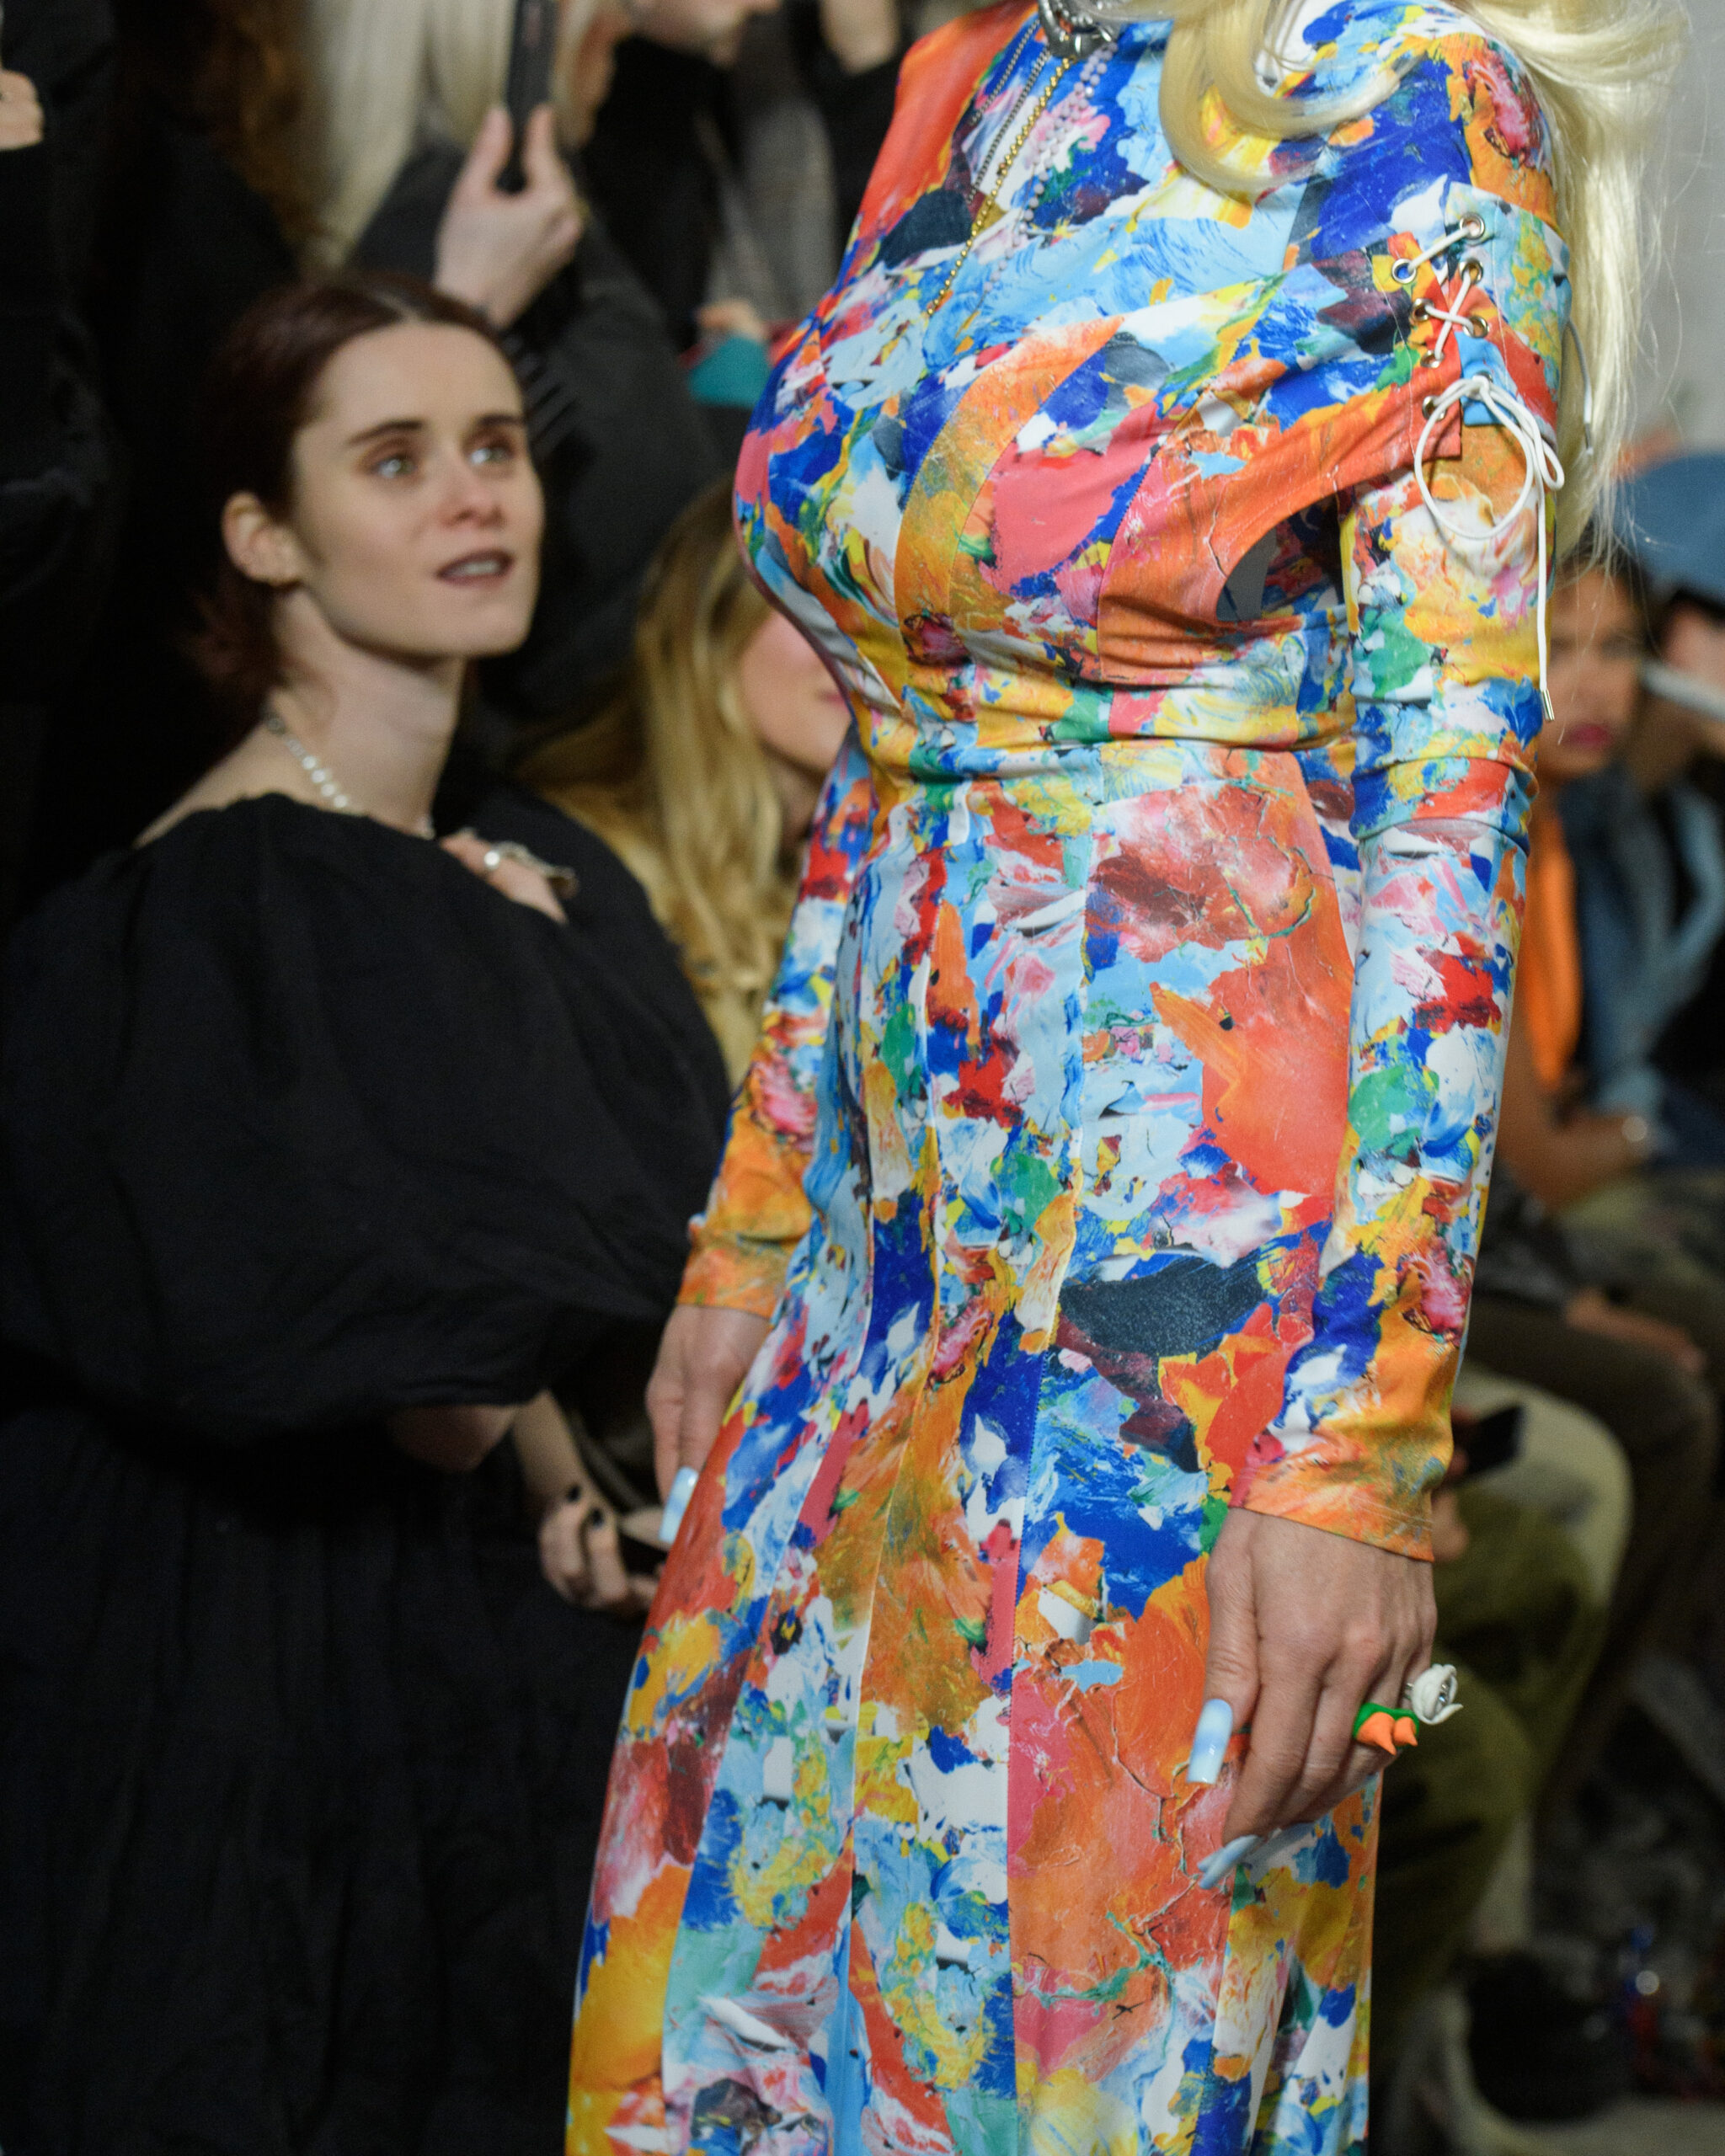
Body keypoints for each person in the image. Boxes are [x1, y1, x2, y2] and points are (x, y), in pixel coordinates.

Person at [567, 1, 1672, 2148]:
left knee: (1062, 2030)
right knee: (733, 2000)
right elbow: (888, 728)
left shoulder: (1402, 92)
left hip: (1180, 1260)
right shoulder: (965, 81)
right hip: (876, 1235)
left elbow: (1446, 803)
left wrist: (1355, 1448)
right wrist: (753, 1219)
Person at [0, 274, 729, 2153]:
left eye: (494, 447)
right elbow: (426, 1381)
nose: (473, 495)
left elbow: (485, 1363)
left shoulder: (465, 860)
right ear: (265, 537)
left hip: (387, 1654)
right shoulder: (262, 887)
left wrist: (562, 1471)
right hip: (250, 1697)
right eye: (393, 461)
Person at [523, 477, 853, 1085]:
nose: (856, 642)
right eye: (810, 600)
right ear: (708, 625)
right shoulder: (569, 872)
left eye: (879, 610)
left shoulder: (864, 877)